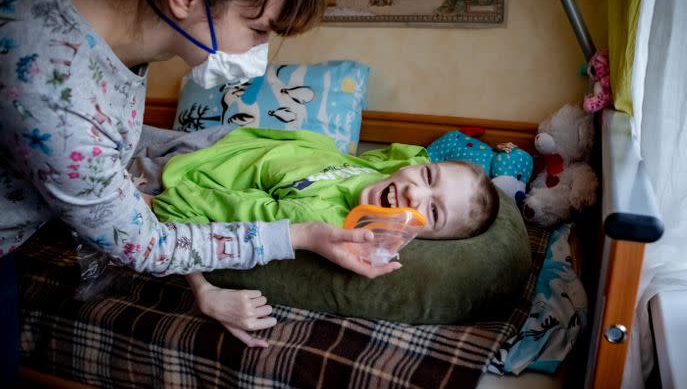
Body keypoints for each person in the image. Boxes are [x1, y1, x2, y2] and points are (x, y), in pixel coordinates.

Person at [0, 0, 394, 389]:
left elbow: (105, 161)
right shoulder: (54, 89)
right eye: (259, 29)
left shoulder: (87, 16)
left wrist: (202, 286)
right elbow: (145, 243)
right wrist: (298, 234)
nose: (260, 52)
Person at [145, 126, 501, 336]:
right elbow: (418, 158)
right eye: (428, 177)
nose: (415, 192)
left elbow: (187, 207)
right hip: (228, 135)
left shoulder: (321, 218)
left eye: (433, 211)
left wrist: (202, 287)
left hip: (179, 168)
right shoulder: (400, 166)